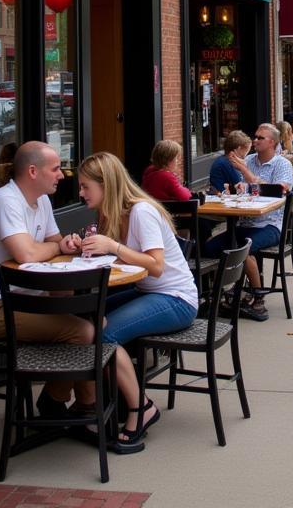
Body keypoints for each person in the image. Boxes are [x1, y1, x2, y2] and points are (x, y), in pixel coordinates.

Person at [0, 141, 141, 449]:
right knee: (86, 330)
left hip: (28, 298)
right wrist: (56, 247)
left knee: (88, 318)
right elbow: (27, 253)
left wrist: (68, 243)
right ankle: (75, 406)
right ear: (33, 171)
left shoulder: (41, 201)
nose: (63, 174)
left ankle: (63, 402)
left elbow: (54, 241)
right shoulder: (6, 201)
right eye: (56, 168)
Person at [78, 151, 199, 450]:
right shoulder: (110, 213)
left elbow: (155, 265)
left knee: (104, 334)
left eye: (85, 187)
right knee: (85, 319)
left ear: (105, 184)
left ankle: (141, 408)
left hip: (176, 298)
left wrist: (113, 246)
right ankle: (106, 402)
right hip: (149, 292)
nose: (80, 193)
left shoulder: (141, 211)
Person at [203, 123, 293, 322]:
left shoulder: (282, 164)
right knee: (208, 248)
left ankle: (258, 300)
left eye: (260, 138)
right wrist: (234, 189)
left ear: (272, 142)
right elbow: (241, 189)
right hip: (243, 223)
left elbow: (278, 191)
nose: (255, 140)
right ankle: (217, 295)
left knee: (243, 247)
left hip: (269, 225)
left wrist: (246, 173)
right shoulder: (249, 159)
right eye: (256, 136)